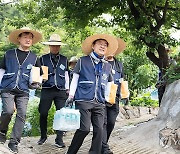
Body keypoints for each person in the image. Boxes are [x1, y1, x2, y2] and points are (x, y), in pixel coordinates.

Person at [65, 34, 119, 154]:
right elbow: (75, 78)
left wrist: (109, 98)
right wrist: (71, 96)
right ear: (93, 46)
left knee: (99, 130)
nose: (103, 46)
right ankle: (71, 152)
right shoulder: (82, 61)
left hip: (100, 101)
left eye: (105, 45)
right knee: (84, 129)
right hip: (83, 99)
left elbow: (110, 82)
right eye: (100, 44)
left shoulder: (107, 65)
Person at [0, 27, 42, 153]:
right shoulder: (9, 54)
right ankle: (2, 131)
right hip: (7, 87)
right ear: (19, 39)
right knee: (7, 111)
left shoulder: (35, 58)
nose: (28, 39)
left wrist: (37, 82)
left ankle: (14, 142)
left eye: (30, 38)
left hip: (23, 90)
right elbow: (1, 70)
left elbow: (39, 75)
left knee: (22, 114)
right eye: (25, 37)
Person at [37, 34, 69, 148]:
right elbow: (38, 73)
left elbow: (66, 75)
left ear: (59, 47)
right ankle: (43, 136)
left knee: (61, 114)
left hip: (60, 90)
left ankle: (59, 139)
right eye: (53, 46)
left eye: (57, 46)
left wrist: (68, 88)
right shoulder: (42, 58)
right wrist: (39, 82)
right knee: (43, 113)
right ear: (50, 46)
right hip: (47, 88)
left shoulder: (64, 59)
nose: (55, 48)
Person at [102, 38, 126, 154]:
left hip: (115, 97)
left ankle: (102, 143)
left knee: (111, 122)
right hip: (102, 98)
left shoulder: (119, 65)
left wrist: (124, 94)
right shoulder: (101, 63)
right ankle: (104, 148)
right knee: (103, 122)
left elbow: (122, 79)